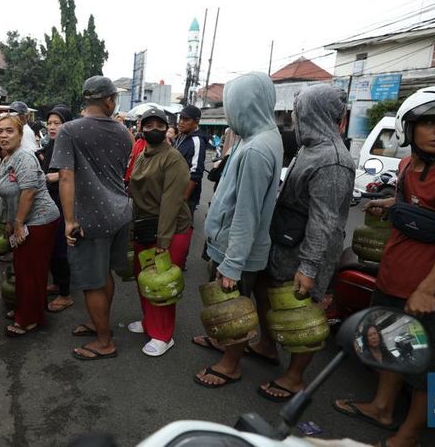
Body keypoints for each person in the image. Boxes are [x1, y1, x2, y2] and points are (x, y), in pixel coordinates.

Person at [333, 86, 435, 447]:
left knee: (427, 367)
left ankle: (408, 435)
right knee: (389, 347)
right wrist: (390, 204)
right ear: (409, 128)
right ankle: (382, 407)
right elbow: (413, 202)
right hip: (393, 280)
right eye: (431, 122)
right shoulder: (406, 166)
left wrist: (427, 289)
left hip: (428, 294)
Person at [246, 85, 355, 402]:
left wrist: (309, 267)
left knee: (303, 312)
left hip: (310, 250)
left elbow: (326, 221)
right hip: (286, 241)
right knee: (265, 289)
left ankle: (295, 377)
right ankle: (268, 346)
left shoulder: (333, 160)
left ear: (313, 113)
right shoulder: (311, 148)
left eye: (299, 112)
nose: (294, 117)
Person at [192, 72, 283, 388]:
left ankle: (230, 365)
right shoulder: (257, 137)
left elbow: (247, 214)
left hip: (237, 250)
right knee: (228, 304)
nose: (230, 115)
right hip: (233, 245)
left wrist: (232, 264)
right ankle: (224, 344)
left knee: (234, 308)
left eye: (233, 107)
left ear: (248, 105)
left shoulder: (258, 149)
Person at [51, 76, 132, 360]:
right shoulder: (124, 132)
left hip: (90, 219)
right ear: (109, 100)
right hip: (120, 213)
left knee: (92, 281)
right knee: (104, 273)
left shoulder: (69, 131)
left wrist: (69, 221)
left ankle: (104, 340)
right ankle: (98, 324)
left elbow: (65, 177)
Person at [127, 108, 192, 357]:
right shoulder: (143, 155)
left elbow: (171, 202)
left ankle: (163, 335)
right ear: (141, 127)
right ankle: (148, 322)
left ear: (167, 128)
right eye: (149, 125)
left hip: (170, 229)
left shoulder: (173, 159)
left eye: (159, 125)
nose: (154, 129)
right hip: (146, 227)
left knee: (161, 283)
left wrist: (163, 241)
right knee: (144, 278)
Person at [0, 113, 61, 336]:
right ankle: (29, 309)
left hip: (39, 220)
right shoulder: (9, 157)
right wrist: (9, 221)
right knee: (26, 270)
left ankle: (29, 320)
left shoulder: (24, 157)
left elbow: (29, 193)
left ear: (20, 134)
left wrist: (18, 223)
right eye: (0, 131)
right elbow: (9, 196)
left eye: (9, 131)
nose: (3, 136)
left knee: (30, 271)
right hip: (25, 220)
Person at [41, 105, 76, 313]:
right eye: (50, 123)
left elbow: (77, 173)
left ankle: (65, 294)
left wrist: (58, 176)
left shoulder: (71, 144)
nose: (52, 127)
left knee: (61, 249)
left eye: (57, 123)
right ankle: (57, 284)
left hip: (64, 203)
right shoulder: (52, 144)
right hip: (50, 201)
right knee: (52, 247)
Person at [173, 104, 208, 216]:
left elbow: (196, 172)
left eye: (186, 119)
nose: (181, 122)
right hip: (174, 191)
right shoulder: (180, 136)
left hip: (186, 196)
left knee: (182, 229)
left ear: (196, 122)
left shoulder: (197, 141)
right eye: (181, 118)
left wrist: (184, 198)